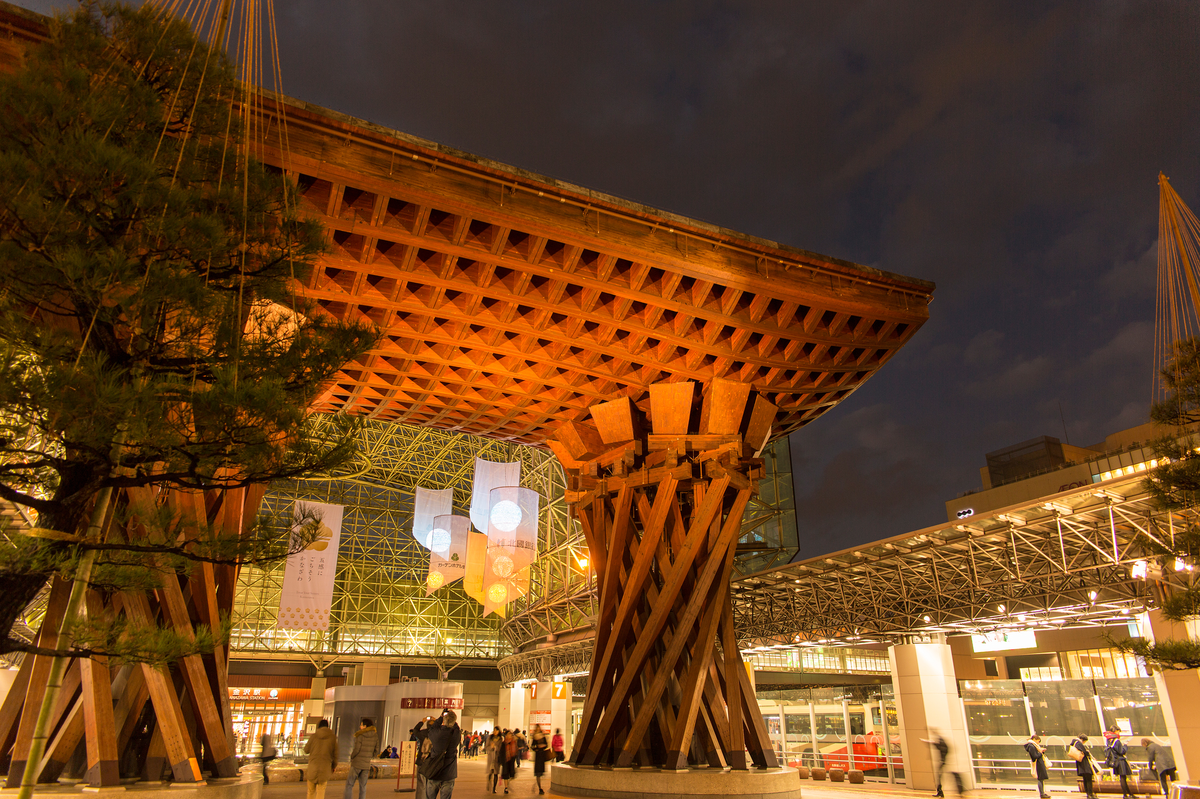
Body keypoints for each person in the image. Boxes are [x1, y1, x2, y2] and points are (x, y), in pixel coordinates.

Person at [422, 710, 462, 799]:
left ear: (444, 720)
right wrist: (452, 718)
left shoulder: (436, 734)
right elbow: (457, 728)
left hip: (434, 771)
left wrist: (441, 717)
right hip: (449, 772)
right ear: (454, 721)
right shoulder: (456, 734)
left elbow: (432, 728)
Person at [920, 732, 963, 797]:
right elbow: (936, 745)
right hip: (943, 762)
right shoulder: (942, 745)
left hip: (943, 762)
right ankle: (941, 792)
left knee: (942, 777)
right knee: (941, 777)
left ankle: (957, 790)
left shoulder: (942, 745)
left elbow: (937, 745)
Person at [304, 720, 339, 799]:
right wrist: (333, 766)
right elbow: (335, 755)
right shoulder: (332, 738)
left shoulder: (313, 736)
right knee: (321, 791)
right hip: (325, 768)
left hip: (312, 768)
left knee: (310, 791)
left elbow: (306, 750)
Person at [344, 717, 378, 799]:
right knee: (363, 787)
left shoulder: (360, 735)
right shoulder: (375, 735)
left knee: (349, 784)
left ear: (365, 726)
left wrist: (352, 757)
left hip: (357, 763)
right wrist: (369, 757)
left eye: (361, 725)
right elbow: (376, 750)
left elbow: (357, 749)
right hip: (366, 765)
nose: (360, 726)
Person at [1104, 727, 1134, 799]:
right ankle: (1125, 795)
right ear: (1114, 731)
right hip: (1120, 761)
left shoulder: (1109, 740)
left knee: (1122, 777)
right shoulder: (1116, 741)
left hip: (1116, 761)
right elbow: (1121, 751)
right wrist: (1125, 746)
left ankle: (1129, 794)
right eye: (1118, 732)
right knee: (1123, 777)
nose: (1119, 733)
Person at [1071, 735, 1100, 799]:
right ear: (1082, 739)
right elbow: (1085, 752)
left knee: (1085, 779)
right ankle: (1090, 794)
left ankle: (1088, 793)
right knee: (1088, 779)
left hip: (1081, 764)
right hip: (1085, 764)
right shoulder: (1078, 743)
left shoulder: (1074, 743)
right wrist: (1087, 752)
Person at [1024, 733, 1050, 799]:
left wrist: (1041, 752)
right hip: (1038, 764)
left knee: (1041, 779)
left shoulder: (1033, 746)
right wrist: (1041, 753)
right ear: (1034, 739)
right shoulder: (1031, 746)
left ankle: (1043, 793)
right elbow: (1034, 756)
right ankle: (1042, 793)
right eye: (1038, 741)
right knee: (1040, 779)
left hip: (1039, 763)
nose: (1038, 743)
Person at [485, 729, 503, 793]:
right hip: (491, 757)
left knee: (496, 773)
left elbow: (501, 748)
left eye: (497, 730)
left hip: (497, 758)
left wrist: (495, 747)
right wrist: (491, 747)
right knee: (490, 772)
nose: (495, 732)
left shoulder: (501, 739)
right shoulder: (490, 738)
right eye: (494, 730)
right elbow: (486, 747)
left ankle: (494, 788)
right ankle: (489, 782)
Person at [502, 730, 519, 794]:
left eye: (511, 734)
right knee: (505, 775)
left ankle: (508, 783)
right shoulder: (504, 743)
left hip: (511, 760)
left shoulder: (514, 742)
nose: (510, 735)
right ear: (506, 735)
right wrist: (501, 761)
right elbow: (502, 753)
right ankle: (506, 788)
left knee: (512, 775)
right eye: (509, 734)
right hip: (506, 761)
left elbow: (516, 751)